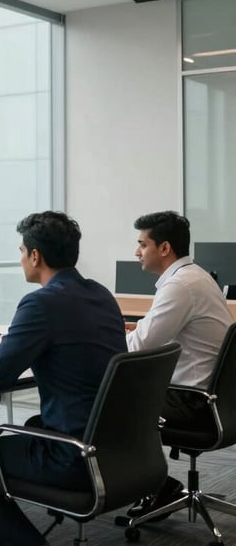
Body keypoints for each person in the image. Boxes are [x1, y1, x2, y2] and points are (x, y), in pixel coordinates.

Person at [0, 211, 127, 546]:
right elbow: (69, 345)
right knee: (32, 424)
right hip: (117, 447)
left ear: (35, 256)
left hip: (73, 455)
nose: (20, 258)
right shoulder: (101, 294)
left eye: (21, 251)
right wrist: (11, 347)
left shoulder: (41, 303)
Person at [124, 211, 233, 519]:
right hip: (220, 401)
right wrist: (138, 329)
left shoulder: (180, 286)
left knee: (111, 406)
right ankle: (156, 484)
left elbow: (139, 347)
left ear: (164, 248)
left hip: (194, 402)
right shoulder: (196, 276)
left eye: (142, 244)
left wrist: (109, 337)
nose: (137, 252)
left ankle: (157, 485)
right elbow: (161, 334)